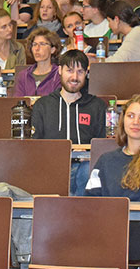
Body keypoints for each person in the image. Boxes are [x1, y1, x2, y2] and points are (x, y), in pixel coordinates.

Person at [85, 95, 140, 263]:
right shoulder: (105, 160)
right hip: (107, 228)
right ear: (122, 120)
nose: (135, 122)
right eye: (131, 116)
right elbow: (92, 200)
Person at [32, 50, 107, 195]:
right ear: (59, 70)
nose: (74, 77)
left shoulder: (97, 106)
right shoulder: (43, 105)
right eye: (69, 70)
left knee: (88, 169)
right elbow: (35, 146)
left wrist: (86, 155)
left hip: (85, 168)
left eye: (80, 71)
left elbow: (103, 145)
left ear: (86, 73)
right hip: (52, 168)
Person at [14, 28, 61, 97]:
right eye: (34, 44)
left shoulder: (59, 74)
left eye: (42, 44)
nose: (37, 48)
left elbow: (57, 102)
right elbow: (17, 101)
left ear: (52, 49)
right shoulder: (23, 75)